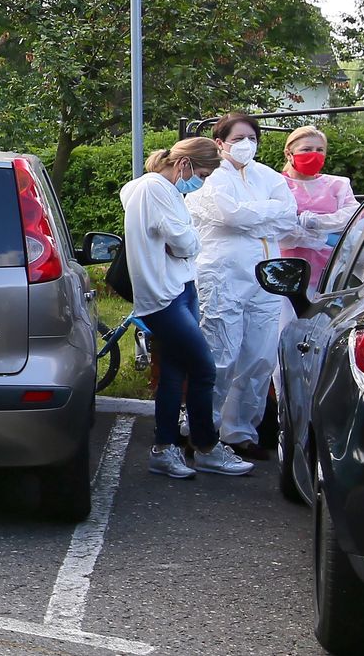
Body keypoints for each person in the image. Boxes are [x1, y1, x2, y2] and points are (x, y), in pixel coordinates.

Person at [120, 138, 254, 479]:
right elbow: (184, 243)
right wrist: (188, 238)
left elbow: (183, 243)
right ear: (185, 165)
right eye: (203, 174)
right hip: (163, 296)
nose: (202, 182)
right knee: (204, 368)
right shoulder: (153, 189)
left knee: (175, 373)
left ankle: (165, 449)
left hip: (179, 288)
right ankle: (206, 447)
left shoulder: (164, 190)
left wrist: (186, 240)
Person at [187, 113, 299, 461]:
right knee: (221, 357)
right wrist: (266, 214)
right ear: (219, 143)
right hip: (223, 276)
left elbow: (289, 214)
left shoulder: (269, 176)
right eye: (237, 138)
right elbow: (229, 216)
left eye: (251, 137)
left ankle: (239, 431)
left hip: (267, 278)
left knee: (259, 357)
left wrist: (253, 215)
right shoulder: (211, 178)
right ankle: (202, 430)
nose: (245, 144)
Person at [279, 126, 360, 286]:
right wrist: (323, 236)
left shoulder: (337, 184)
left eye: (319, 150)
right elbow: (278, 227)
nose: (314, 154)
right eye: (307, 149)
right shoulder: (277, 184)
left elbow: (353, 215)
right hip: (286, 270)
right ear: (289, 154)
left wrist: (314, 223)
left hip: (331, 270)